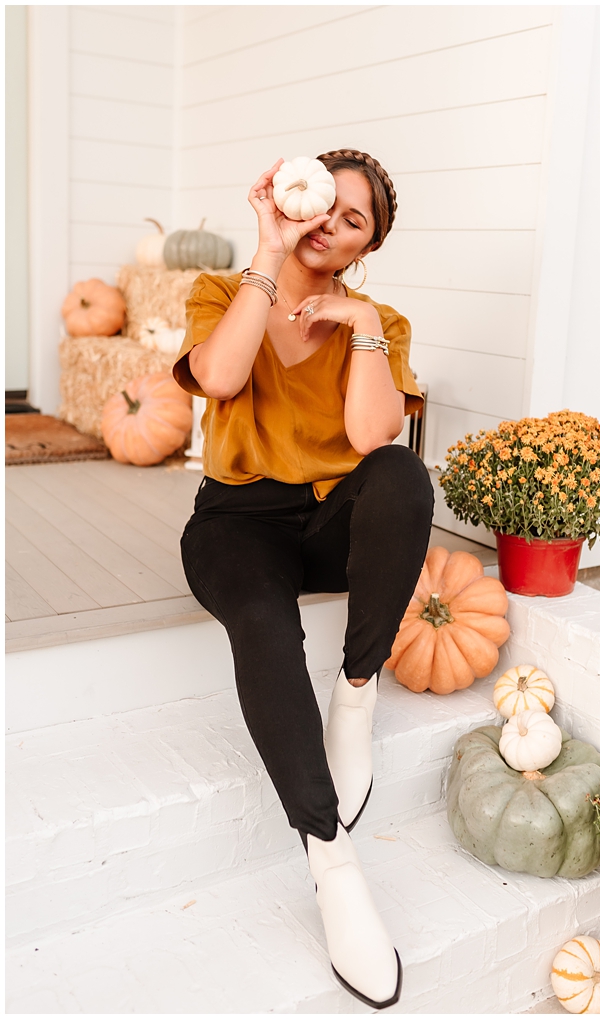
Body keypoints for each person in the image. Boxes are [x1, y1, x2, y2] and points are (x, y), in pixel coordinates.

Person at [173, 149, 434, 1010]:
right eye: (326, 205)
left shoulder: (379, 320)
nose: (330, 225)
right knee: (260, 615)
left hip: (325, 521)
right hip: (236, 522)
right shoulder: (228, 289)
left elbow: (370, 436)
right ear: (297, 197)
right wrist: (267, 247)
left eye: (353, 221)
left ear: (367, 246)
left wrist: (358, 320)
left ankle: (356, 692)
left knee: (401, 473)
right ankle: (332, 858)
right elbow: (218, 376)